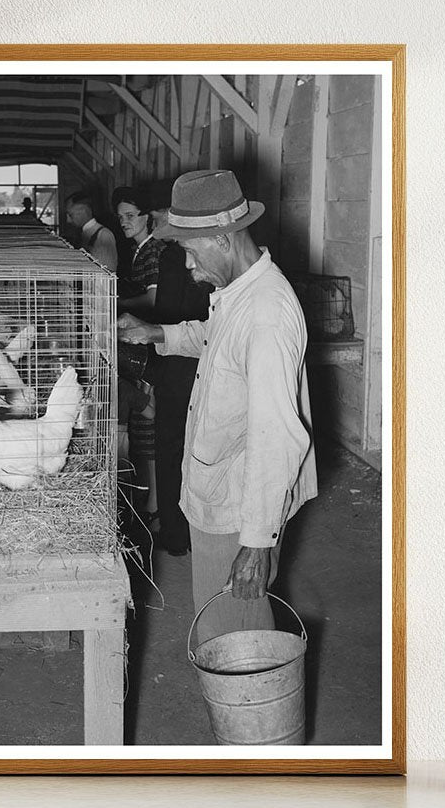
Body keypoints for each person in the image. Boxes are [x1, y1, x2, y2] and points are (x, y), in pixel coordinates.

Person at [118, 169, 318, 643]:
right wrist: (158, 333)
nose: (187, 266)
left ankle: (249, 712)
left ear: (223, 239)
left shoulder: (266, 313)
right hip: (221, 488)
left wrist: (255, 543)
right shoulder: (239, 293)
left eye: (190, 251)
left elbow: (276, 435)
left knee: (232, 637)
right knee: (222, 626)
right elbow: (217, 339)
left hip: (240, 503)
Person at [146, 181, 211, 557]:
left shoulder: (173, 258)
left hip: (177, 371)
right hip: (206, 365)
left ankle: (174, 535)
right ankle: (196, 533)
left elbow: (167, 314)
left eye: (157, 219)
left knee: (171, 452)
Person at [113, 186, 165, 531]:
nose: (124, 223)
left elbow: (154, 301)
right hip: (142, 342)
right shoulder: (137, 250)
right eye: (120, 218)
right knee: (144, 431)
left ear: (148, 216)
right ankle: (151, 504)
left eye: (131, 216)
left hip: (154, 345)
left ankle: (156, 507)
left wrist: (115, 305)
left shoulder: (153, 251)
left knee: (151, 432)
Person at [65, 191, 118, 271]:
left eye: (70, 215)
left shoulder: (103, 235)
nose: (68, 220)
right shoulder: (83, 233)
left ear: (83, 211)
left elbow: (107, 274)